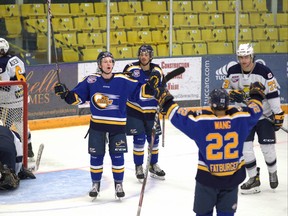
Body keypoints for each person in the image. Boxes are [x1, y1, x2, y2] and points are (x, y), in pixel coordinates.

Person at [149, 76, 265, 215]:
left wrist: (165, 99)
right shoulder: (241, 119)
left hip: (207, 180)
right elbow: (256, 108)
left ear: (211, 103)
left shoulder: (201, 122)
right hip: (232, 179)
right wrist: (256, 95)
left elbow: (177, 115)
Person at [54, 51, 149, 199]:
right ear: (99, 65)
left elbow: (141, 92)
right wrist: (65, 93)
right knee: (96, 156)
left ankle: (119, 184)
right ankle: (95, 184)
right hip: (97, 126)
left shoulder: (123, 80)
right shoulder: (91, 80)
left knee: (117, 156)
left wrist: (153, 86)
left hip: (117, 127)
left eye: (111, 61)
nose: (108, 64)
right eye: (105, 61)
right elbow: (76, 99)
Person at [222, 43, 285, 194]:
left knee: (268, 149)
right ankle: (253, 178)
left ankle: (272, 171)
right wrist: (231, 93)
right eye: (241, 57)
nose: (243, 60)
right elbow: (225, 88)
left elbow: (272, 94)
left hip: (264, 116)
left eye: (246, 57)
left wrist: (278, 114)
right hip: (244, 116)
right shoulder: (232, 71)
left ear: (252, 56)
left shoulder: (264, 72)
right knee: (245, 149)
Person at [123, 44, 166, 182]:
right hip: (135, 110)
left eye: (146, 54)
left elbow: (162, 89)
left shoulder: (157, 70)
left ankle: (153, 164)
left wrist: (163, 101)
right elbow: (126, 87)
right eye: (142, 53)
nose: (143, 56)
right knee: (139, 139)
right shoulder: (131, 68)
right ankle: (139, 166)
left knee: (154, 139)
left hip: (152, 112)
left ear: (151, 56)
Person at [0, 38, 35, 161]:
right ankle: (28, 148)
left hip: (7, 101)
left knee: (7, 127)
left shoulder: (2, 62)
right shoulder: (17, 58)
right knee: (21, 124)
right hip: (21, 96)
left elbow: (5, 86)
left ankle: (14, 150)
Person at [0, 123, 36, 191]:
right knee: (9, 178)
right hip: (7, 150)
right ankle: (8, 173)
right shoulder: (11, 132)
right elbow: (18, 157)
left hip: (6, 149)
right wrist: (18, 170)